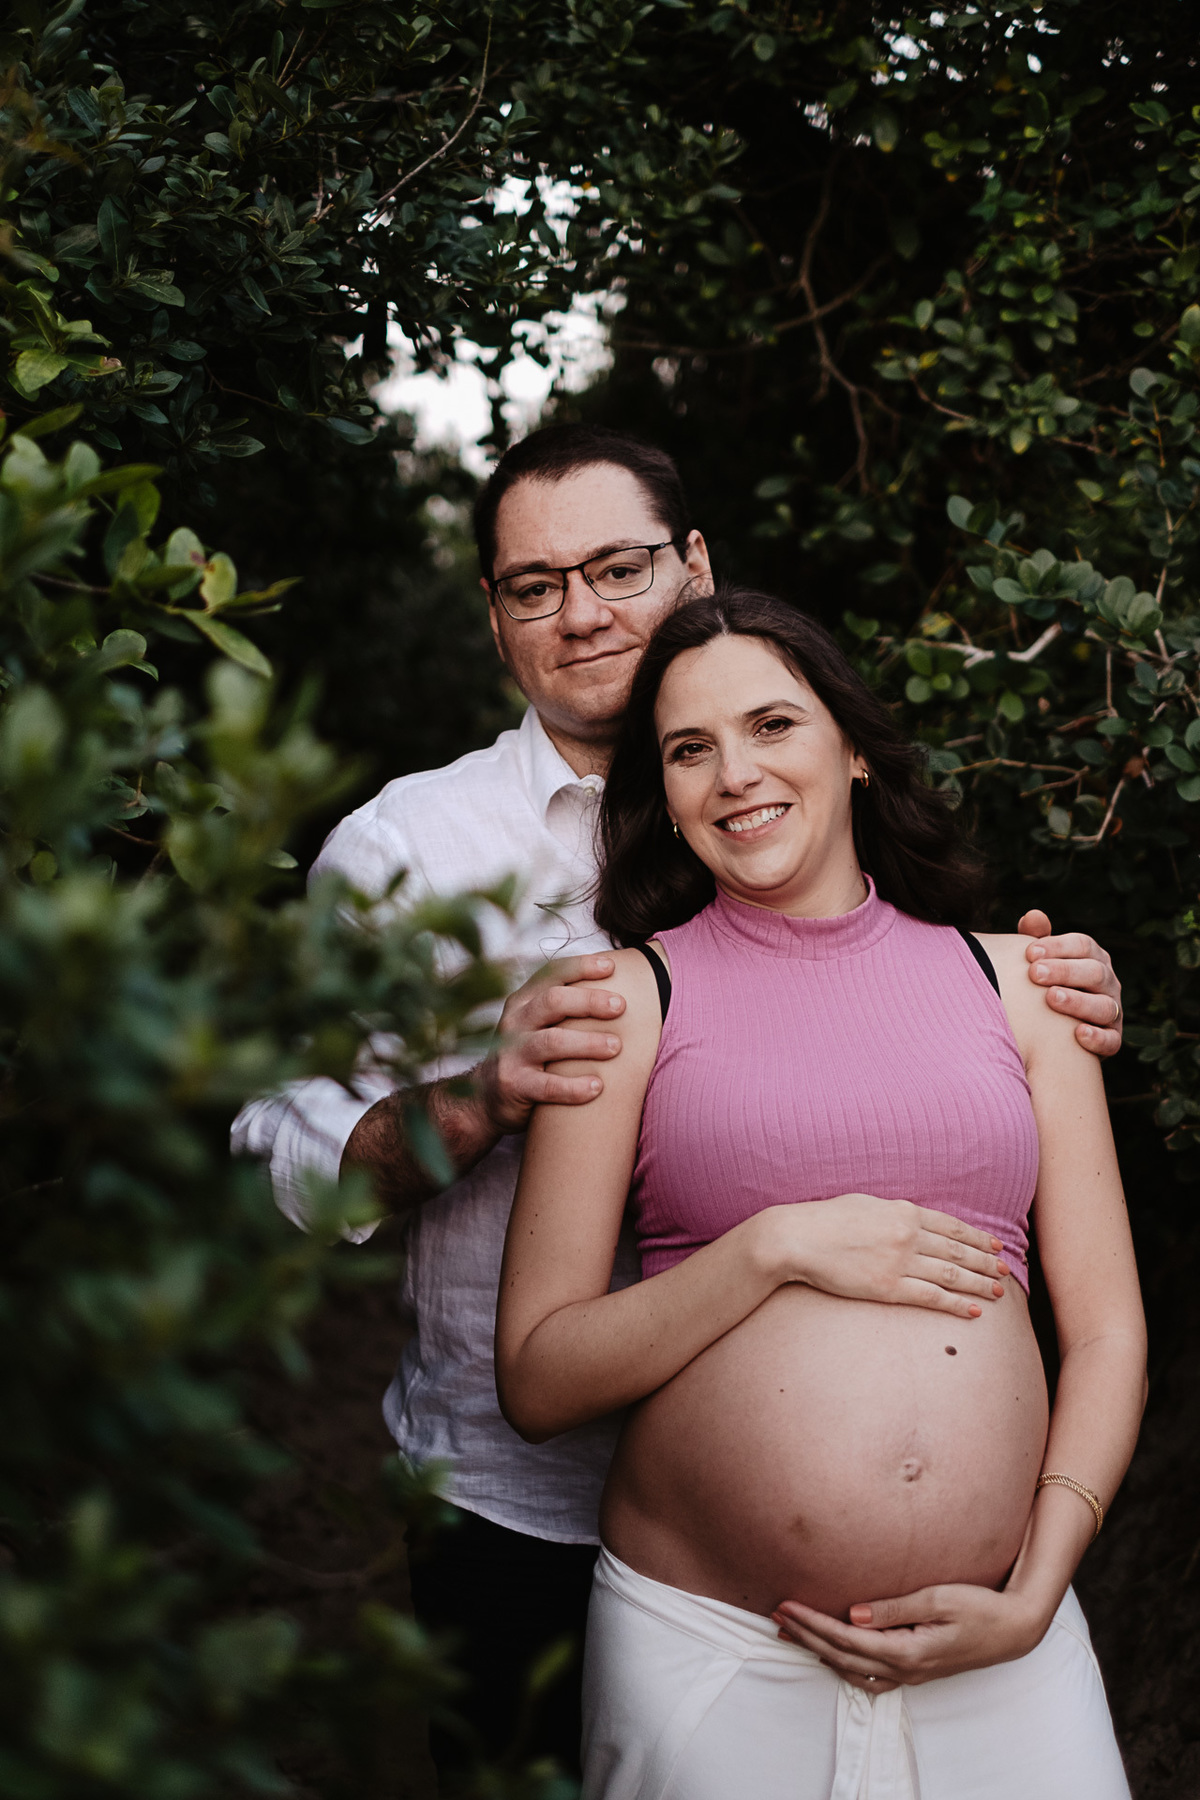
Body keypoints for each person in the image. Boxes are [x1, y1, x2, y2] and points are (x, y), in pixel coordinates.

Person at [232, 426, 1128, 1780]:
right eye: (534, 586)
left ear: (693, 564)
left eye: (618, 565)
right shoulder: (406, 851)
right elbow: (279, 1159)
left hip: (929, 1595)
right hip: (518, 1507)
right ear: (493, 615)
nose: (582, 611)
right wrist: (475, 1101)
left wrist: (1054, 990)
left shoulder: (817, 854)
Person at [494, 585, 1147, 1800]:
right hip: (717, 1649)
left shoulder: (1023, 984)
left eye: (772, 726)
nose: (735, 774)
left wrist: (1040, 1586)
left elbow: (1107, 1329)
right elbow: (537, 1377)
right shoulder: (624, 1003)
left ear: (850, 745)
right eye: (690, 750)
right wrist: (774, 1250)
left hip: (1006, 1646)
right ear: (666, 797)